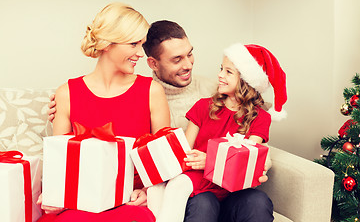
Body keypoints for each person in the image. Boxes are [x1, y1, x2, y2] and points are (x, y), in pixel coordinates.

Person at [48, 20, 275, 221]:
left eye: (190, 54)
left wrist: (256, 160)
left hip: (229, 188)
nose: (188, 65)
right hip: (196, 189)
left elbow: (253, 128)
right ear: (153, 64)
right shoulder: (144, 94)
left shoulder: (214, 90)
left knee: (256, 202)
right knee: (202, 203)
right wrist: (61, 109)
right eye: (177, 59)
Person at [38, 2, 170, 222]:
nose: (140, 53)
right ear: (108, 43)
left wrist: (149, 192)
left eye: (142, 44)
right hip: (79, 203)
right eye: (133, 44)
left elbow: (163, 163)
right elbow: (60, 165)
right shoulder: (66, 93)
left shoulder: (151, 92)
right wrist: (53, 197)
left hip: (128, 202)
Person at [146, 42, 287, 222]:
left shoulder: (260, 118)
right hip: (202, 190)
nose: (220, 75)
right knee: (203, 204)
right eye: (221, 69)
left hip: (234, 192)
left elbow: (245, 159)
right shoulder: (203, 107)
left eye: (228, 72)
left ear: (247, 80)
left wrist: (210, 161)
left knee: (258, 201)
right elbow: (185, 154)